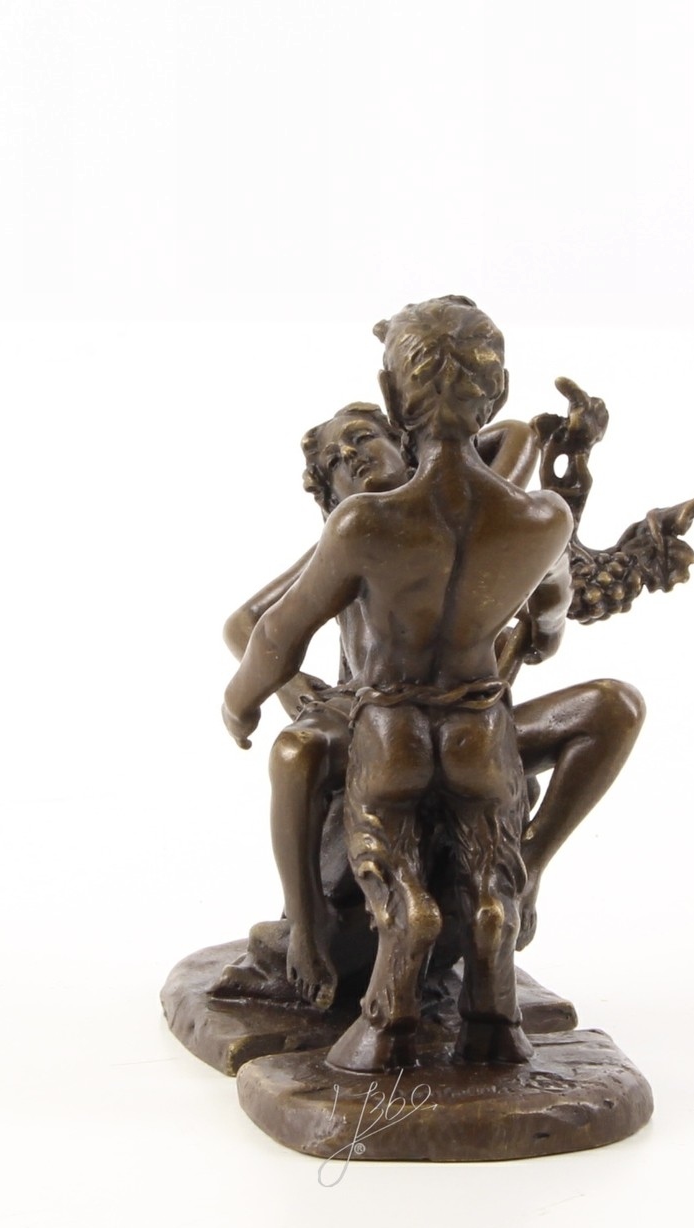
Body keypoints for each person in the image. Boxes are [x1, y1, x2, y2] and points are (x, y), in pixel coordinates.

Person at [224, 296, 574, 1071]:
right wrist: (541, 634)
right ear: (501, 390)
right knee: (490, 866)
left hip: (390, 727)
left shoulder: (366, 526)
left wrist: (238, 702)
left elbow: (277, 635)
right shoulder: (544, 518)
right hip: (479, 723)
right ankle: (494, 1017)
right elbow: (551, 612)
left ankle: (390, 1017)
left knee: (393, 867)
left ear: (390, 400)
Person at [219, 401, 646, 1013]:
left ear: (406, 443)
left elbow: (514, 437)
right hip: (374, 720)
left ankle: (529, 864)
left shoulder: (483, 518)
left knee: (613, 706)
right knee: (296, 752)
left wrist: (442, 446)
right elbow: (249, 625)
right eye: (335, 462)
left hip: (475, 721)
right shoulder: (352, 533)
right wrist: (290, 688)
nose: (353, 458)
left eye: (363, 438)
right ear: (330, 497)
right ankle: (308, 926)